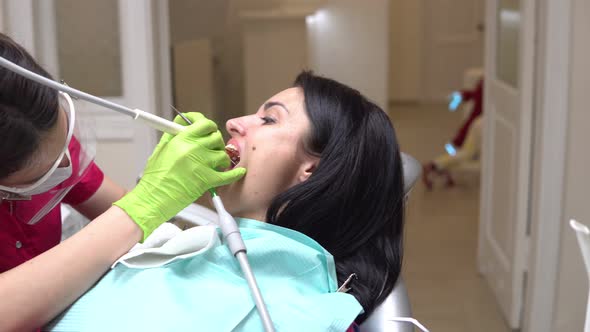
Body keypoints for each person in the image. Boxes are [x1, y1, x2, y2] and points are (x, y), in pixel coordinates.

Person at [45, 71, 406, 331]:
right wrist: (149, 201)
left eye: (268, 119)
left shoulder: (305, 314)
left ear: (312, 169)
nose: (234, 122)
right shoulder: (189, 246)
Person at [0, 33, 245, 331]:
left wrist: (158, 200)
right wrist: (146, 202)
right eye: (45, 170)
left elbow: (124, 218)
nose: (66, 163)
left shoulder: (41, 133)